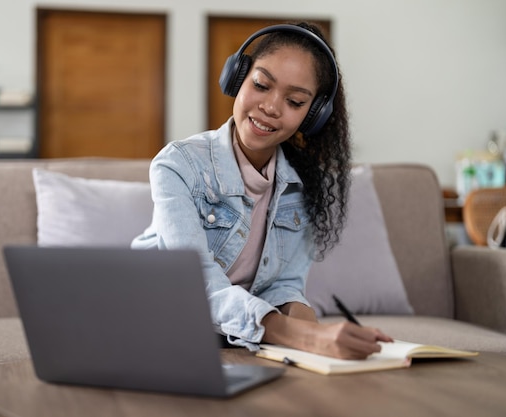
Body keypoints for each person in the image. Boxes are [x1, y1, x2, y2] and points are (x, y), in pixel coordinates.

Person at [132, 22, 392, 359]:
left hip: (236, 334)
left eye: (295, 101)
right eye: (260, 84)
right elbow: (195, 281)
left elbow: (282, 286)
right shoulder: (177, 165)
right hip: (156, 321)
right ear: (237, 78)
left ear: (313, 116)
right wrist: (305, 337)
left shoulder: (306, 184)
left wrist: (311, 328)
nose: (271, 107)